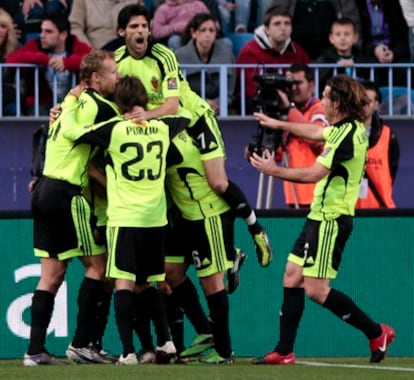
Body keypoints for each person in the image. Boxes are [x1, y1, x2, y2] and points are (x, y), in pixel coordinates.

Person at [248, 74, 395, 365]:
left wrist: (272, 170)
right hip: (317, 217)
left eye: (326, 96)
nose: (322, 101)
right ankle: (284, 350)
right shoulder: (341, 128)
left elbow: (313, 174)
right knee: (292, 273)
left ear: (338, 103)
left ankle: (377, 332)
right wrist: (278, 124)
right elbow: (314, 132)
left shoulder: (348, 135)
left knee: (316, 289)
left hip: (331, 219)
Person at [115, 4, 272, 268]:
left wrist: (143, 117)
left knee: (218, 183)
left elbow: (172, 106)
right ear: (122, 32)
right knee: (172, 188)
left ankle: (256, 229)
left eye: (144, 25)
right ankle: (226, 253)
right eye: (134, 27)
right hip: (163, 128)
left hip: (195, 119)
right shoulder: (118, 60)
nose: (141, 31)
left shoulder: (164, 56)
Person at [63, 75, 188, 365]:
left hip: (125, 217)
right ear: (144, 100)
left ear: (119, 104)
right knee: (151, 283)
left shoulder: (115, 129)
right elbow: (184, 114)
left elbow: (71, 132)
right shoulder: (162, 127)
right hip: (155, 220)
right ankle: (166, 342)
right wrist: (152, 114)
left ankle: (128, 352)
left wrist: (68, 103)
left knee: (123, 283)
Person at [23, 49, 120, 366]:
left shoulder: (69, 104)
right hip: (66, 193)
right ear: (95, 78)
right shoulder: (101, 106)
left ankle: (34, 350)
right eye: (112, 73)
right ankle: (81, 344)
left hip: (42, 189)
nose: (117, 78)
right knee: (99, 267)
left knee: (51, 275)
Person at [6, 13, 92, 115]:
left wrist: (67, 62)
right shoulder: (36, 44)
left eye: (48, 32)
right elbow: (11, 59)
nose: (42, 35)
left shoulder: (73, 43)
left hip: (75, 101)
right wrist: (44, 59)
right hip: (42, 102)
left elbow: (94, 61)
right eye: (41, 31)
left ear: (63, 35)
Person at [235, 6, 311, 114]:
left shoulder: (297, 50)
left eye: (287, 23)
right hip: (258, 106)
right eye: (277, 24)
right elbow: (251, 89)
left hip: (291, 102)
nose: (283, 28)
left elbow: (310, 78)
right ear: (267, 29)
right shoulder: (250, 51)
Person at [275, 63, 328, 208]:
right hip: (294, 196)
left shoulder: (321, 109)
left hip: (318, 196)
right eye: (290, 83)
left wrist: (289, 110)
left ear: (311, 86)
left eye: (298, 83)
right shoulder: (289, 114)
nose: (293, 88)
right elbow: (280, 154)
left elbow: (316, 137)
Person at [257, 0, 361, 60]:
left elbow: (352, 22)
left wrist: (355, 48)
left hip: (332, 56)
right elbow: (276, 15)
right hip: (295, 54)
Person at [175, 13, 236, 114]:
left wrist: (216, 103)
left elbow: (229, 93)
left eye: (211, 30)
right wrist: (201, 104)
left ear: (216, 34)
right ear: (193, 33)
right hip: (190, 111)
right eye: (203, 30)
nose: (208, 34)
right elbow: (179, 93)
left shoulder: (227, 55)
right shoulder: (179, 57)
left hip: (220, 110)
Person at [356, 80, 399, 208]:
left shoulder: (389, 135)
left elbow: (392, 171)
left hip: (381, 211)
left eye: (368, 102)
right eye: (360, 101)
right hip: (350, 211)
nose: (363, 106)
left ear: (376, 105)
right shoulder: (343, 132)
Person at [355, 0, 410, 86]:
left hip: (393, 51)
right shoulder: (358, 5)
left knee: (404, 67)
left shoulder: (395, 4)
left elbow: (403, 37)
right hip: (367, 52)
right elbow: (358, 39)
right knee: (369, 66)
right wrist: (374, 50)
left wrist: (393, 52)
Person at [315, 17, 373, 95]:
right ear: (331, 38)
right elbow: (319, 82)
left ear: (355, 37)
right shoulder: (324, 59)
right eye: (338, 34)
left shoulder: (363, 59)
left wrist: (356, 64)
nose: (342, 38)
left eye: (347, 34)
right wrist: (337, 67)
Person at [68, 0, 143, 49]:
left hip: (131, 48)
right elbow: (75, 28)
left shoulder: (134, 1)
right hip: (100, 51)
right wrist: (91, 52)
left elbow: (144, 23)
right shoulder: (84, 1)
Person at [0, 7, 21, 116]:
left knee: (14, 109)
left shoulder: (16, 52)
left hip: (8, 101)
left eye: (3, 26)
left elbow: (20, 87)